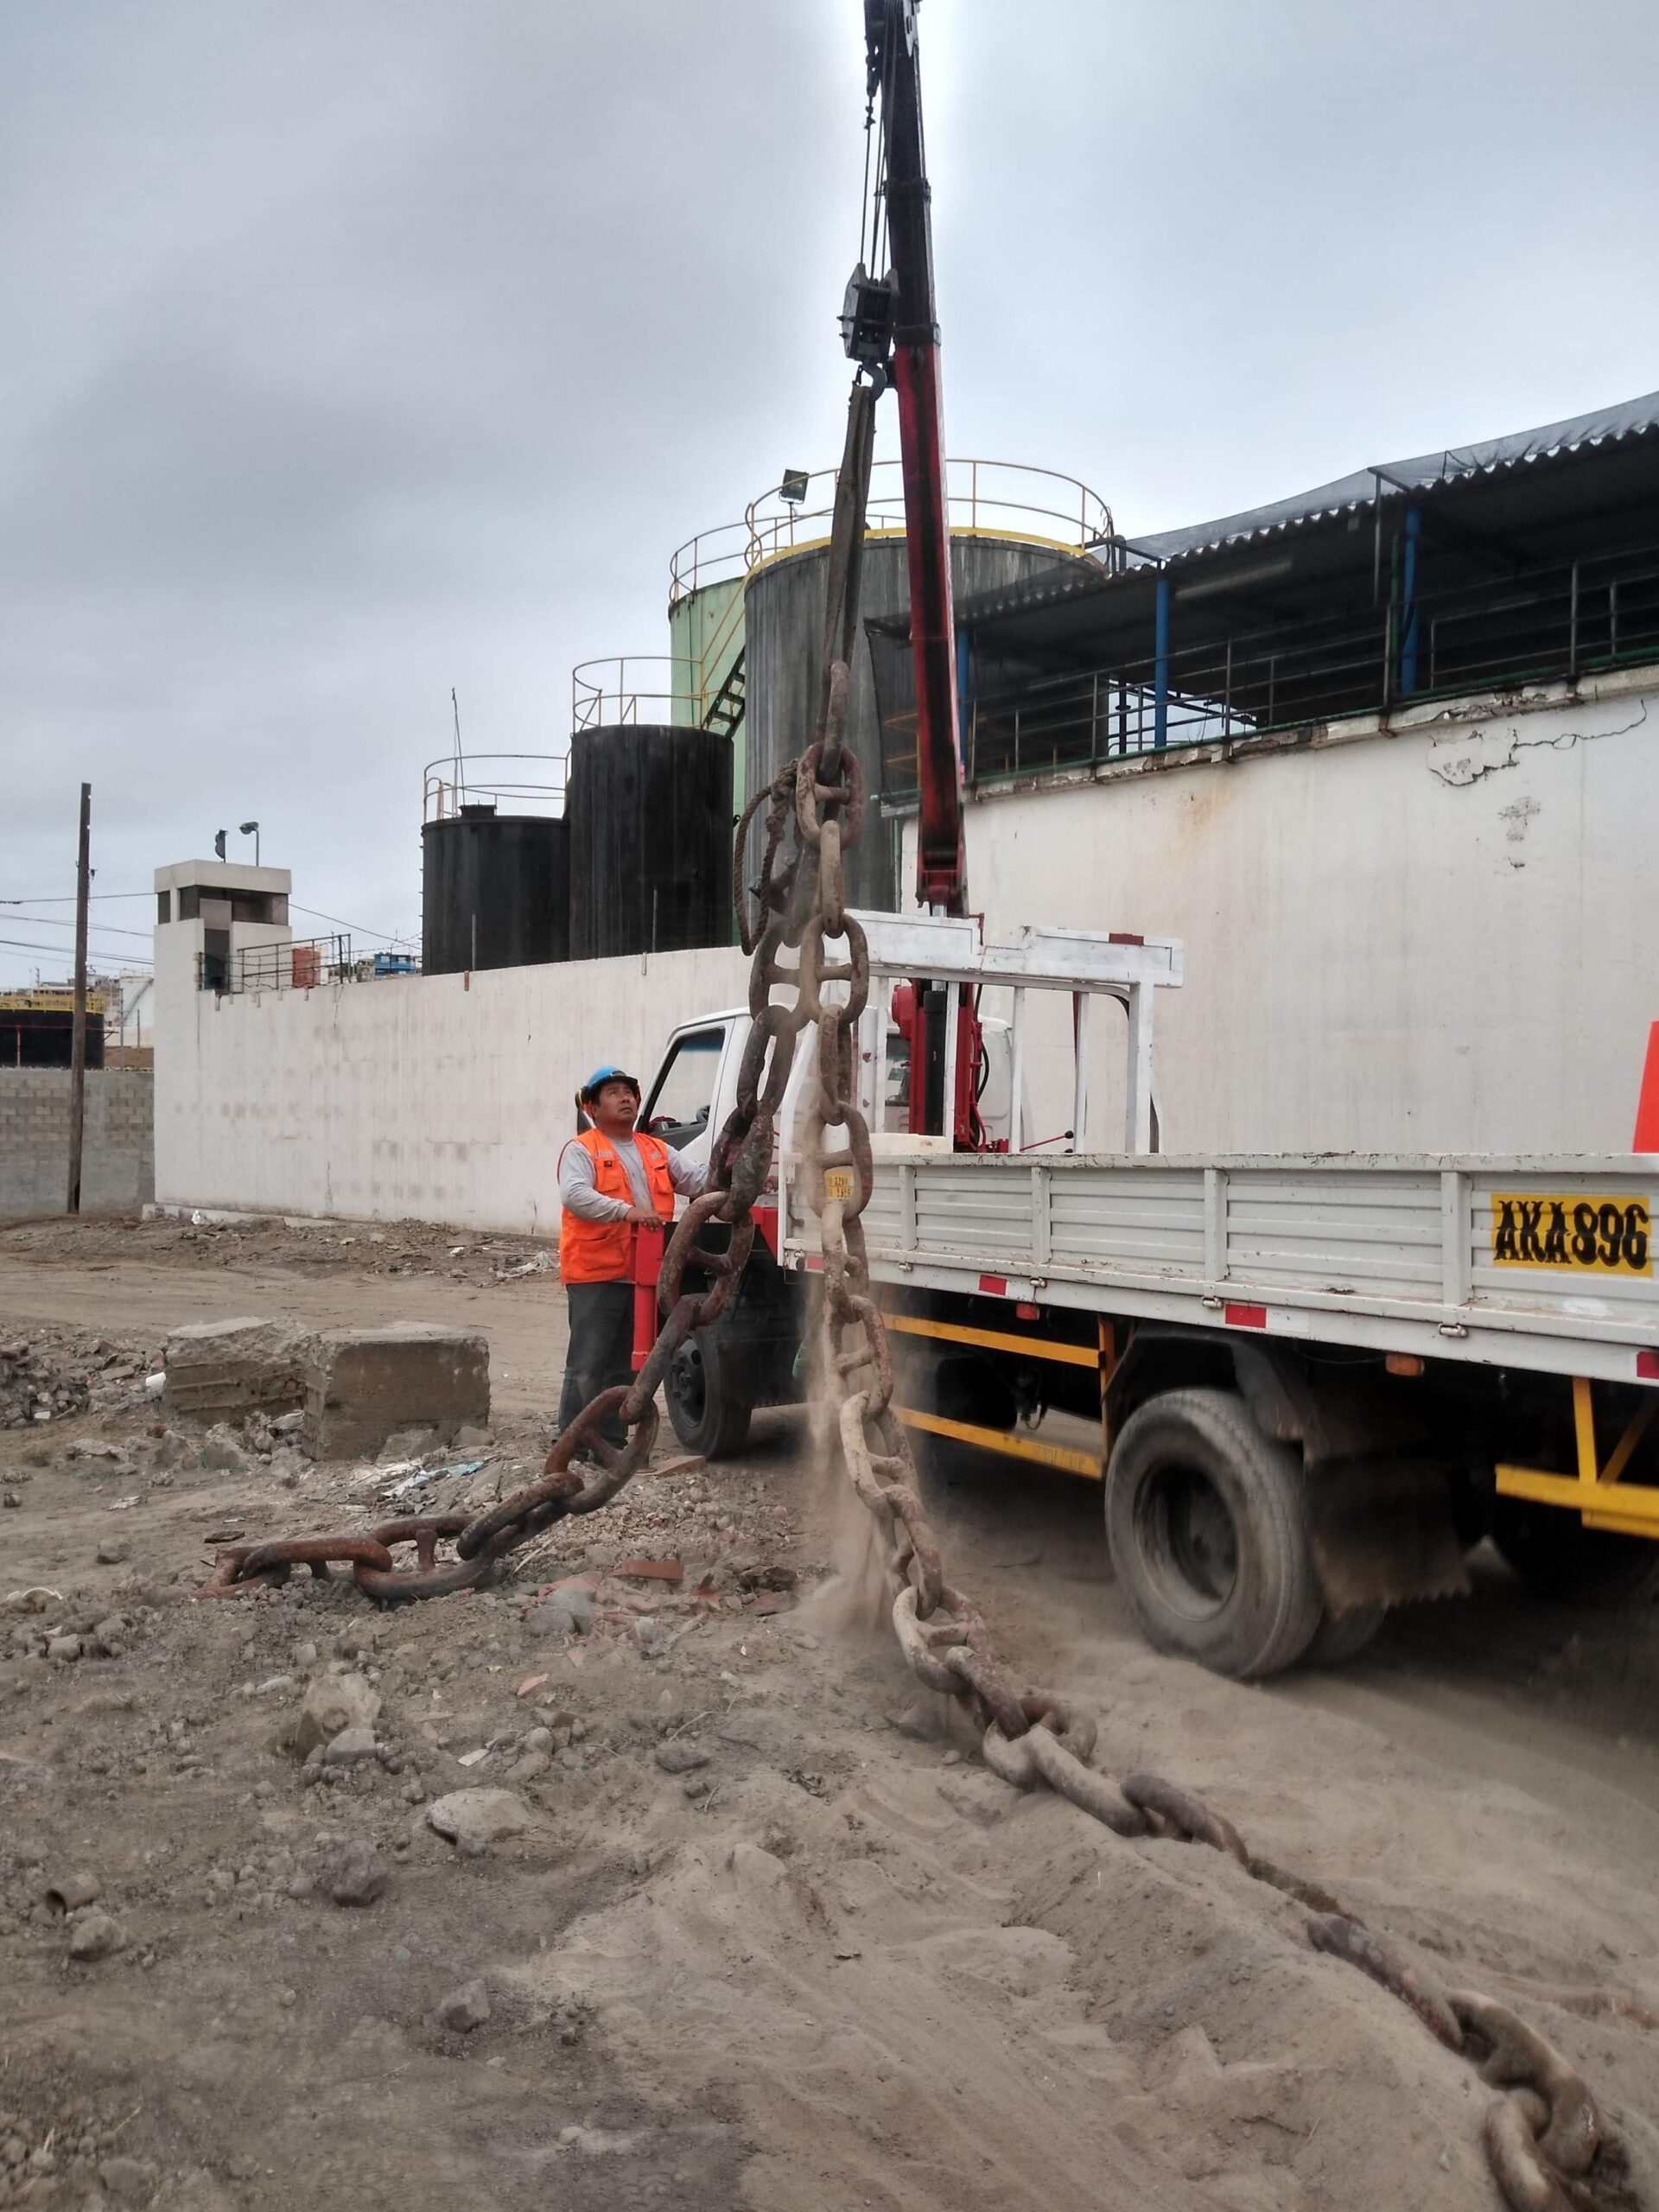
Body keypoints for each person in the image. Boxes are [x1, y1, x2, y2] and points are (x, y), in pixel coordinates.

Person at [556, 1065, 707, 1446]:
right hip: (596, 1274)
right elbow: (575, 1195)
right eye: (613, 1093)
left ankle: (612, 1441)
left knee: (625, 1365)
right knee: (589, 1363)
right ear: (592, 1108)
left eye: (629, 1092)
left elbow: (697, 1180)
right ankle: (575, 1442)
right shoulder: (582, 1150)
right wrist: (627, 1211)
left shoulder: (655, 1148)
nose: (625, 1098)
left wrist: (745, 1179)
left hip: (642, 1275)